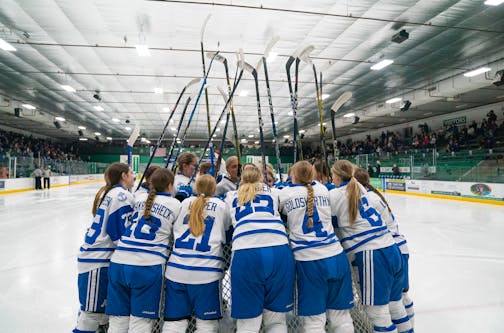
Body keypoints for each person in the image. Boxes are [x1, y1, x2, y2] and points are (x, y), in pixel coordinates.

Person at [279, 161, 354, 333]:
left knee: (314, 321)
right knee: (341, 318)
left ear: (294, 176)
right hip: (336, 256)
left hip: (309, 262)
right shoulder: (323, 189)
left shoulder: (286, 193)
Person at [329, 160, 403, 333]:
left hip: (373, 254)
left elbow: (327, 219)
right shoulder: (358, 187)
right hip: (390, 247)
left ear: (338, 176)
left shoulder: (337, 194)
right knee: (391, 307)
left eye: (333, 174)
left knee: (378, 315)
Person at [105, 168, 180, 332]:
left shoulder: (139, 198)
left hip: (119, 262)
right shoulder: (175, 204)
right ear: (170, 185)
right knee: (141, 323)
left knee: (118, 321)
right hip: (147, 265)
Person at [225, 164, 295, 332]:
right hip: (279, 249)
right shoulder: (275, 192)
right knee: (277, 321)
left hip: (247, 252)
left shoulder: (230, 196)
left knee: (248, 324)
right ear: (261, 178)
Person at [162, 174, 232, 332]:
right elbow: (228, 236)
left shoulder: (185, 202)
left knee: (174, 323)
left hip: (176, 270)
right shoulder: (221, 206)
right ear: (214, 188)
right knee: (207, 324)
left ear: (196, 187)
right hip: (207, 273)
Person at [73, 163, 135, 333]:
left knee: (99, 313)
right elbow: (117, 232)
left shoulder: (110, 193)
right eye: (130, 173)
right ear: (123, 175)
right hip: (97, 261)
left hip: (98, 260)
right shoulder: (121, 195)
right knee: (90, 315)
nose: (133, 176)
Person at [354, 168, 414, 332]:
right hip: (399, 248)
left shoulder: (366, 199)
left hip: (387, 249)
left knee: (387, 307)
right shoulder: (373, 196)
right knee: (399, 300)